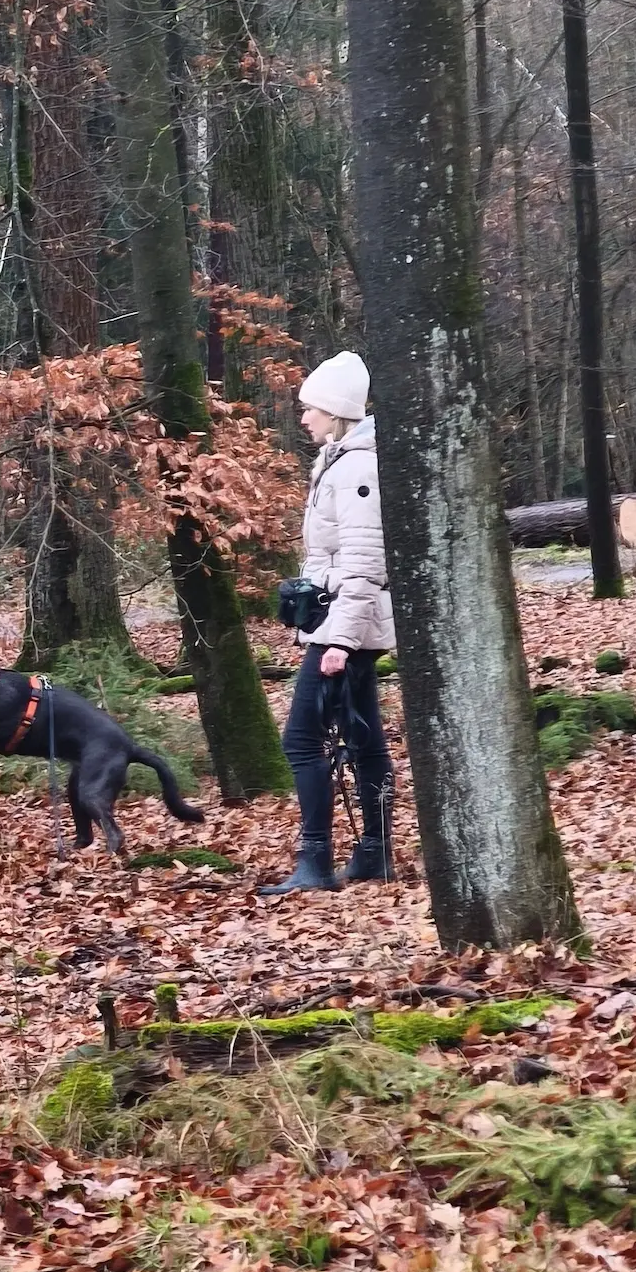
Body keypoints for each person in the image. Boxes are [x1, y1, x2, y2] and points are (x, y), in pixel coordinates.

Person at [260, 350, 396, 898]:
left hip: (348, 627)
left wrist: (337, 639)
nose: (302, 417)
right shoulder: (338, 462)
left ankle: (315, 858)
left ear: (334, 410)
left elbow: (365, 564)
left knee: (299, 740)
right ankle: (374, 853)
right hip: (342, 622)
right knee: (364, 736)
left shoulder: (358, 468)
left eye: (309, 407)